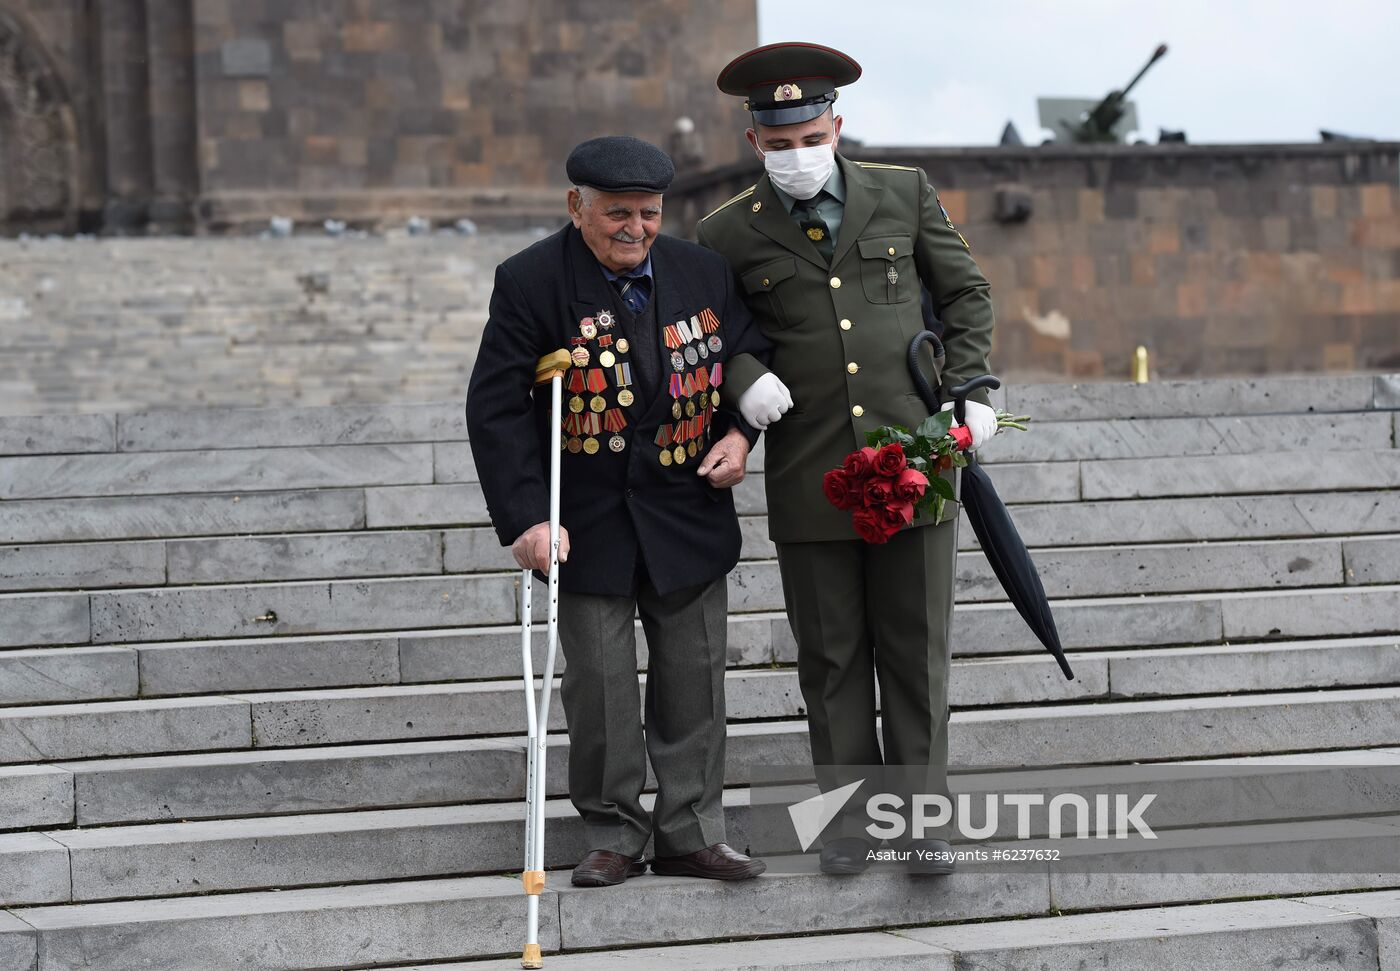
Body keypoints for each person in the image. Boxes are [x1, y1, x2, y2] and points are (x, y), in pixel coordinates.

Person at [694, 42, 999, 876]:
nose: (797, 153)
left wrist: (972, 386)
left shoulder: (902, 192)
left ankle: (922, 820)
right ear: (754, 143)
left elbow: (965, 291)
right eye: (779, 142)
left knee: (916, 650)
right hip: (812, 471)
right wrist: (743, 379)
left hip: (915, 462)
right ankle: (851, 822)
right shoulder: (724, 232)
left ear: (836, 126)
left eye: (810, 136)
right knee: (830, 660)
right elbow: (712, 331)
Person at [467, 135, 776, 888]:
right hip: (585, 520)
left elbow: (747, 355)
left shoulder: (702, 271)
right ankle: (613, 831)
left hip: (686, 506)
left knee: (694, 680)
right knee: (600, 687)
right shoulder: (531, 280)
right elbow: (496, 406)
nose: (635, 229)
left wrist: (741, 435)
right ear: (577, 206)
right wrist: (527, 519)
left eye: (648, 213)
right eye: (617, 214)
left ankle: (692, 832)